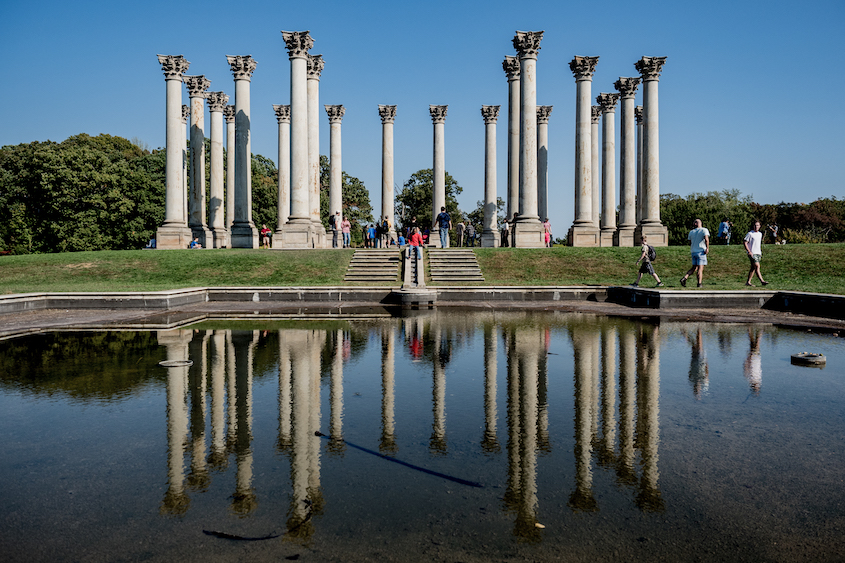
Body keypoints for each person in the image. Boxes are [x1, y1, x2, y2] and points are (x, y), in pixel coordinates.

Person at [680, 218, 710, 288]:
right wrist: (707, 248)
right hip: (701, 251)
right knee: (700, 268)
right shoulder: (704, 230)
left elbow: (690, 242)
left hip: (693, 251)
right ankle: (699, 283)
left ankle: (685, 278)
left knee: (694, 267)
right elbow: (706, 239)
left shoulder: (691, 232)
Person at [744, 220, 769, 287]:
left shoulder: (760, 234)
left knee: (753, 268)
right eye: (755, 225)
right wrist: (749, 251)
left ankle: (748, 282)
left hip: (758, 253)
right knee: (757, 266)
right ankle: (762, 281)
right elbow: (745, 242)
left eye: (757, 225)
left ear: (760, 226)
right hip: (752, 253)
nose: (756, 227)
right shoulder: (750, 233)